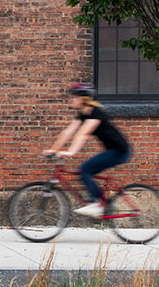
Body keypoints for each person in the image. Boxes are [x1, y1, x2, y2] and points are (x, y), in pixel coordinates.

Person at [43, 83, 132, 217]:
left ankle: (97, 204)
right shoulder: (83, 114)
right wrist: (53, 150)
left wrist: (71, 152)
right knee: (87, 170)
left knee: (85, 169)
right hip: (113, 150)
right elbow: (68, 132)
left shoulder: (96, 113)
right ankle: (105, 203)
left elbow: (82, 134)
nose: (71, 99)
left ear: (84, 98)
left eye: (74, 97)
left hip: (120, 151)